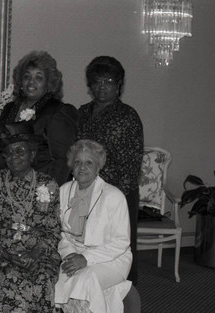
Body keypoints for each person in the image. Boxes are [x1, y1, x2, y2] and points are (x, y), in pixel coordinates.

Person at [0, 123, 62, 312]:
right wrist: (7, 254)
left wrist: (34, 253)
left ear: (32, 154)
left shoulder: (48, 185)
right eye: (9, 152)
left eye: (20, 151)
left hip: (39, 255)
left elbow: (53, 231)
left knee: (42, 279)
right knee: (10, 278)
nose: (14, 156)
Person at [76, 56, 143, 284]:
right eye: (96, 81)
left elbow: (131, 166)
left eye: (109, 81)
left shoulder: (128, 116)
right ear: (90, 84)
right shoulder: (82, 112)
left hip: (117, 196)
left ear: (119, 85)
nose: (102, 86)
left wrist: (108, 198)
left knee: (115, 251)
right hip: (84, 192)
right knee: (85, 248)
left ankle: (125, 299)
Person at [55, 140, 132, 313]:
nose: (82, 167)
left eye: (89, 162)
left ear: (98, 167)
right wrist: (70, 254)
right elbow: (59, 233)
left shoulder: (114, 196)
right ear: (71, 167)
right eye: (77, 162)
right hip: (73, 255)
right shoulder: (63, 191)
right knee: (55, 279)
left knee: (85, 279)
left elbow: (121, 242)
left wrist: (86, 258)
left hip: (111, 259)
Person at [0, 50, 78, 186]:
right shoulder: (9, 108)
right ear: (20, 82)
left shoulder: (58, 112)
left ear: (49, 84)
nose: (31, 82)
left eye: (39, 77)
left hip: (39, 189)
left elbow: (63, 160)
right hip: (6, 186)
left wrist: (47, 192)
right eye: (27, 77)